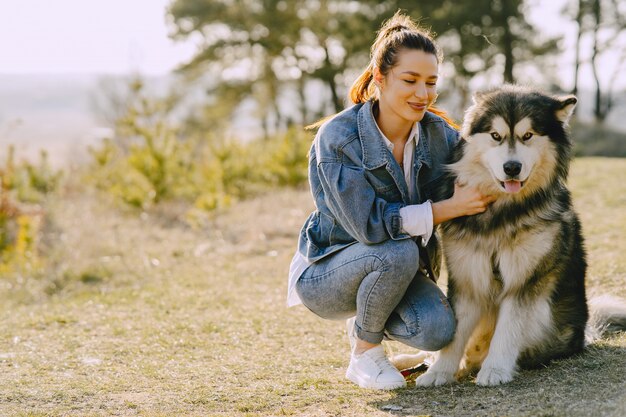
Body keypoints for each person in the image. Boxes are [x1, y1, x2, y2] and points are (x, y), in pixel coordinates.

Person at [287, 11, 495, 390]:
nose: (423, 94)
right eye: (410, 80)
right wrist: (445, 210)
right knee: (395, 249)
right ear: (380, 79)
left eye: (431, 82)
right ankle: (365, 354)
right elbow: (370, 227)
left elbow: (482, 165)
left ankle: (368, 313)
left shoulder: (438, 136)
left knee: (437, 331)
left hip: (396, 270)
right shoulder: (339, 138)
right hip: (326, 273)